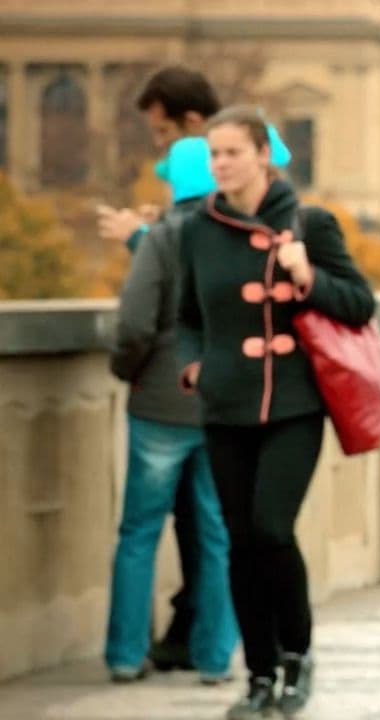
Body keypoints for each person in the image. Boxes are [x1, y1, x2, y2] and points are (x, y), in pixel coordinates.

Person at [176, 105, 375, 719]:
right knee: (238, 541)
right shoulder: (196, 228)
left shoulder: (310, 222)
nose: (221, 164)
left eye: (232, 152)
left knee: (270, 529)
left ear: (264, 155)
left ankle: (297, 654)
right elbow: (186, 316)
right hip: (224, 404)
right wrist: (193, 364)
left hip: (293, 402)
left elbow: (360, 303)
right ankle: (259, 674)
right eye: (213, 154)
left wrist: (306, 274)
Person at [100, 65, 232, 679]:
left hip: (157, 404)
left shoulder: (161, 237)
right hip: (218, 403)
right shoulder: (235, 237)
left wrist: (127, 371)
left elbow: (133, 325)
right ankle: (214, 658)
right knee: (215, 536)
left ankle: (125, 656)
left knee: (138, 535)